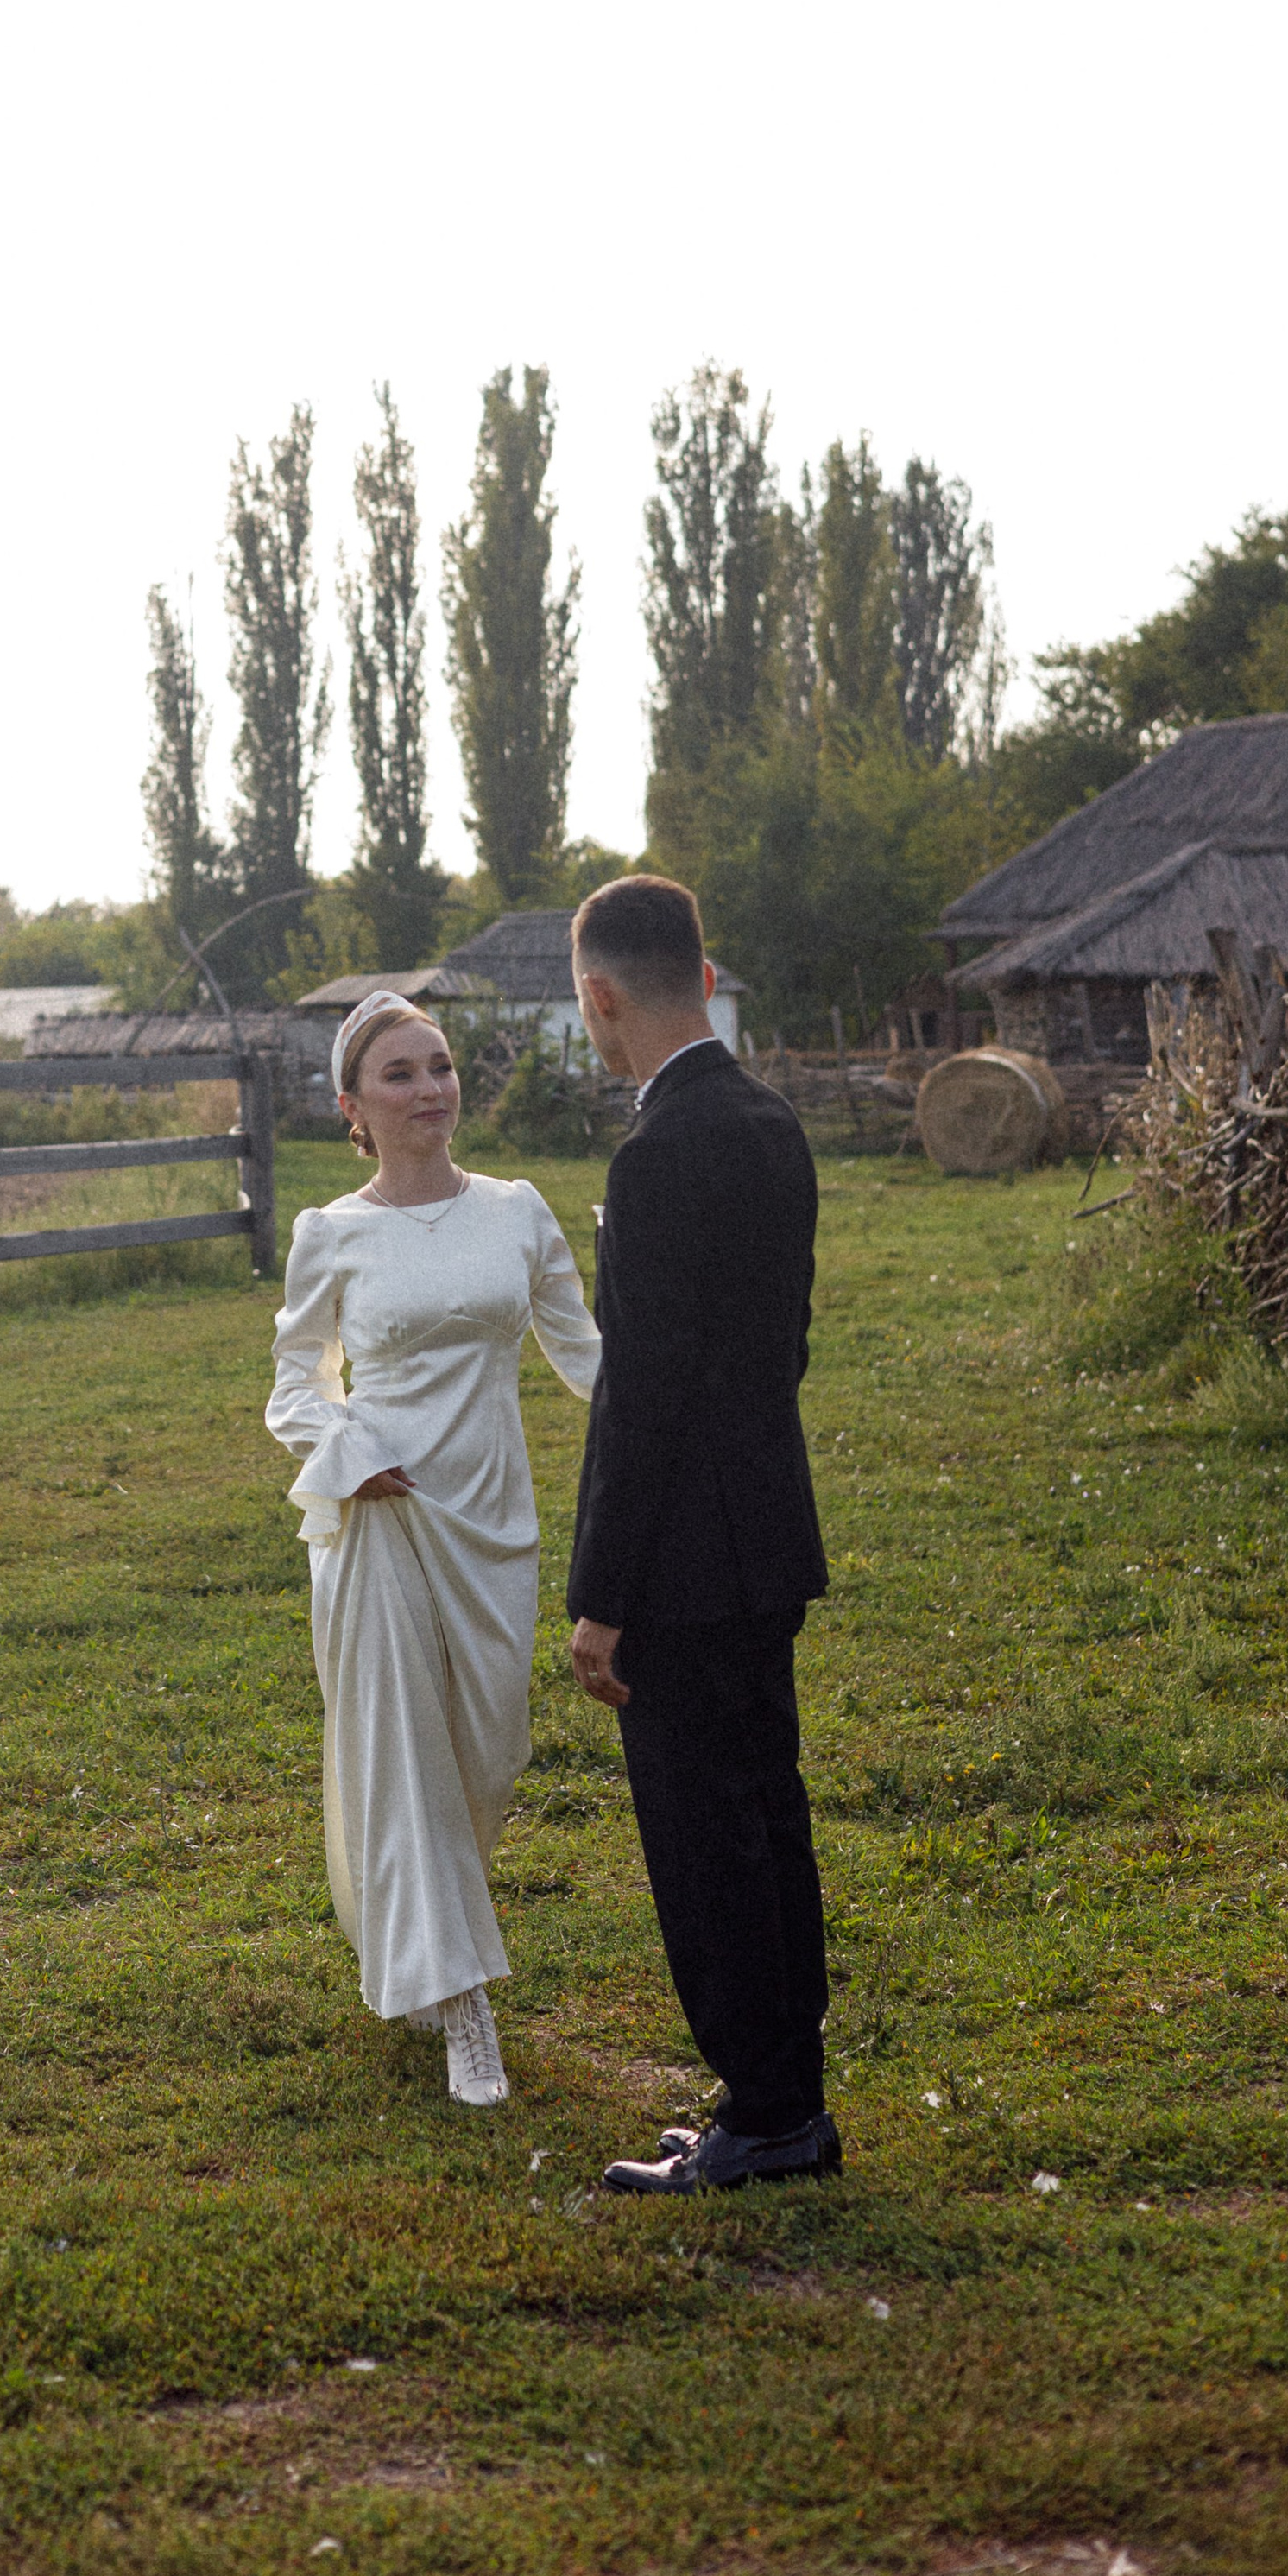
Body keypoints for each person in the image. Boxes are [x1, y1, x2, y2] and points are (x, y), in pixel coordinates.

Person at [266, 991, 601, 2107]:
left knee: (487, 1755)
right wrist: (345, 1450)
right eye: (401, 1074)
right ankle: (466, 2008)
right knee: (405, 1757)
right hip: (380, 1518)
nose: (430, 1089)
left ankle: (419, 1936)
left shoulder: (518, 1210)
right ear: (354, 1105)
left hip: (493, 1516)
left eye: (442, 1066)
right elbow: (295, 1385)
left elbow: (593, 1360)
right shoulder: (332, 1233)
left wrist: (691, 1414)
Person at [564, 875, 840, 2195]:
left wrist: (600, 1593)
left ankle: (769, 2115)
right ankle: (786, 2095)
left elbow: (643, 1393)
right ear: (708, 970)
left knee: (703, 1834)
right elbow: (777, 1347)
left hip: (679, 1564)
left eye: (586, 1008)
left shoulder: (655, 1152)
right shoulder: (773, 1122)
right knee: (766, 1818)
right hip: (769, 1534)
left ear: (602, 995)